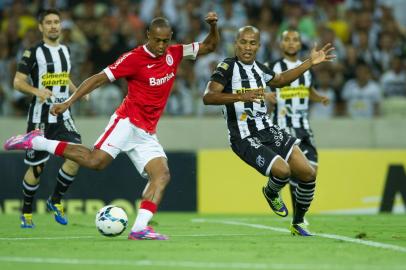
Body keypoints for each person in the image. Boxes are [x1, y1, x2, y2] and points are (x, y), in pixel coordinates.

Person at [5, 12, 220, 240]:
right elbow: (97, 78)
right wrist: (69, 102)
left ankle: (139, 229)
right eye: (156, 40)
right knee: (95, 161)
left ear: (170, 38)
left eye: (165, 40)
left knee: (162, 175)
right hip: (126, 122)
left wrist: (213, 25)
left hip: (146, 132)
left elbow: (209, 46)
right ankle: (36, 140)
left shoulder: (174, 53)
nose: (160, 45)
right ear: (148, 35)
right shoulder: (133, 58)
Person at [202, 26, 334, 236]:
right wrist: (240, 97)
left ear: (259, 46)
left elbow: (280, 80)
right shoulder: (227, 66)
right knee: (283, 171)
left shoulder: (259, 69)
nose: (247, 47)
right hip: (243, 136)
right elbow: (208, 97)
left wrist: (309, 62)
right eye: (243, 42)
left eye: (252, 43)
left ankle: (298, 223)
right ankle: (271, 192)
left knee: (308, 173)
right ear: (236, 44)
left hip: (269, 130)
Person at [11, 9, 82, 228]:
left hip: (62, 114)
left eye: (56, 22)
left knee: (77, 156)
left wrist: (78, 91)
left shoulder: (65, 50)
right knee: (37, 168)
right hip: (40, 116)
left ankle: (55, 200)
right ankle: (26, 212)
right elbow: (18, 82)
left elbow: (64, 76)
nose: (53, 26)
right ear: (41, 27)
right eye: (48, 22)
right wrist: (36, 91)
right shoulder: (32, 52)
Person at [266, 29, 330, 224]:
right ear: (281, 44)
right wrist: (265, 96)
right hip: (282, 127)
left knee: (311, 172)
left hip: (304, 127)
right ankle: (299, 219)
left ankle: (298, 215)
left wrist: (319, 98)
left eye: (295, 39)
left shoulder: (306, 69)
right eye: (287, 39)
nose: (291, 43)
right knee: (300, 171)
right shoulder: (272, 67)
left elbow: (307, 90)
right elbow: (254, 89)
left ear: (300, 44)